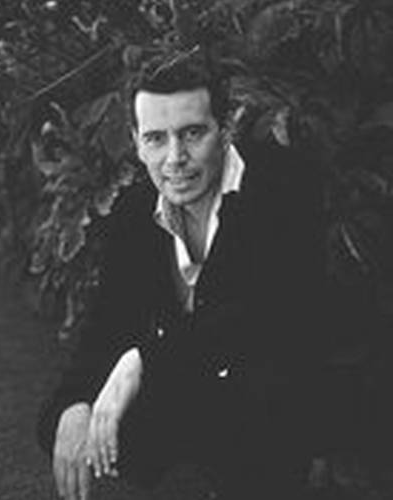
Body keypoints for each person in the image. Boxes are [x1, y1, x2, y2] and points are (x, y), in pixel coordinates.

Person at [38, 49, 327, 500]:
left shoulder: (283, 187)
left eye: (192, 133)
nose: (175, 158)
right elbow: (107, 322)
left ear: (225, 128)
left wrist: (140, 363)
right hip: (195, 388)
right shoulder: (136, 211)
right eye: (156, 138)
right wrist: (74, 402)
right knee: (75, 423)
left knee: (261, 392)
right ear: (136, 143)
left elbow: (262, 322)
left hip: (269, 388)